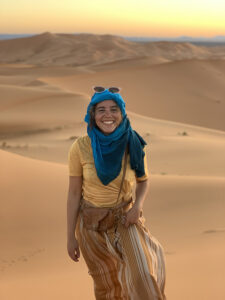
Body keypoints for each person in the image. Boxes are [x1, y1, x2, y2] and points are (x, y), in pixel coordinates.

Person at [67, 86, 166, 300]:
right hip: (90, 226)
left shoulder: (134, 144)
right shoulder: (80, 147)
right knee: (107, 286)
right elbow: (74, 194)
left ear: (122, 113)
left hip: (125, 219)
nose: (108, 115)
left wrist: (138, 207)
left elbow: (143, 180)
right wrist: (70, 237)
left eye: (114, 109)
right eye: (101, 110)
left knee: (142, 276)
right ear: (92, 115)